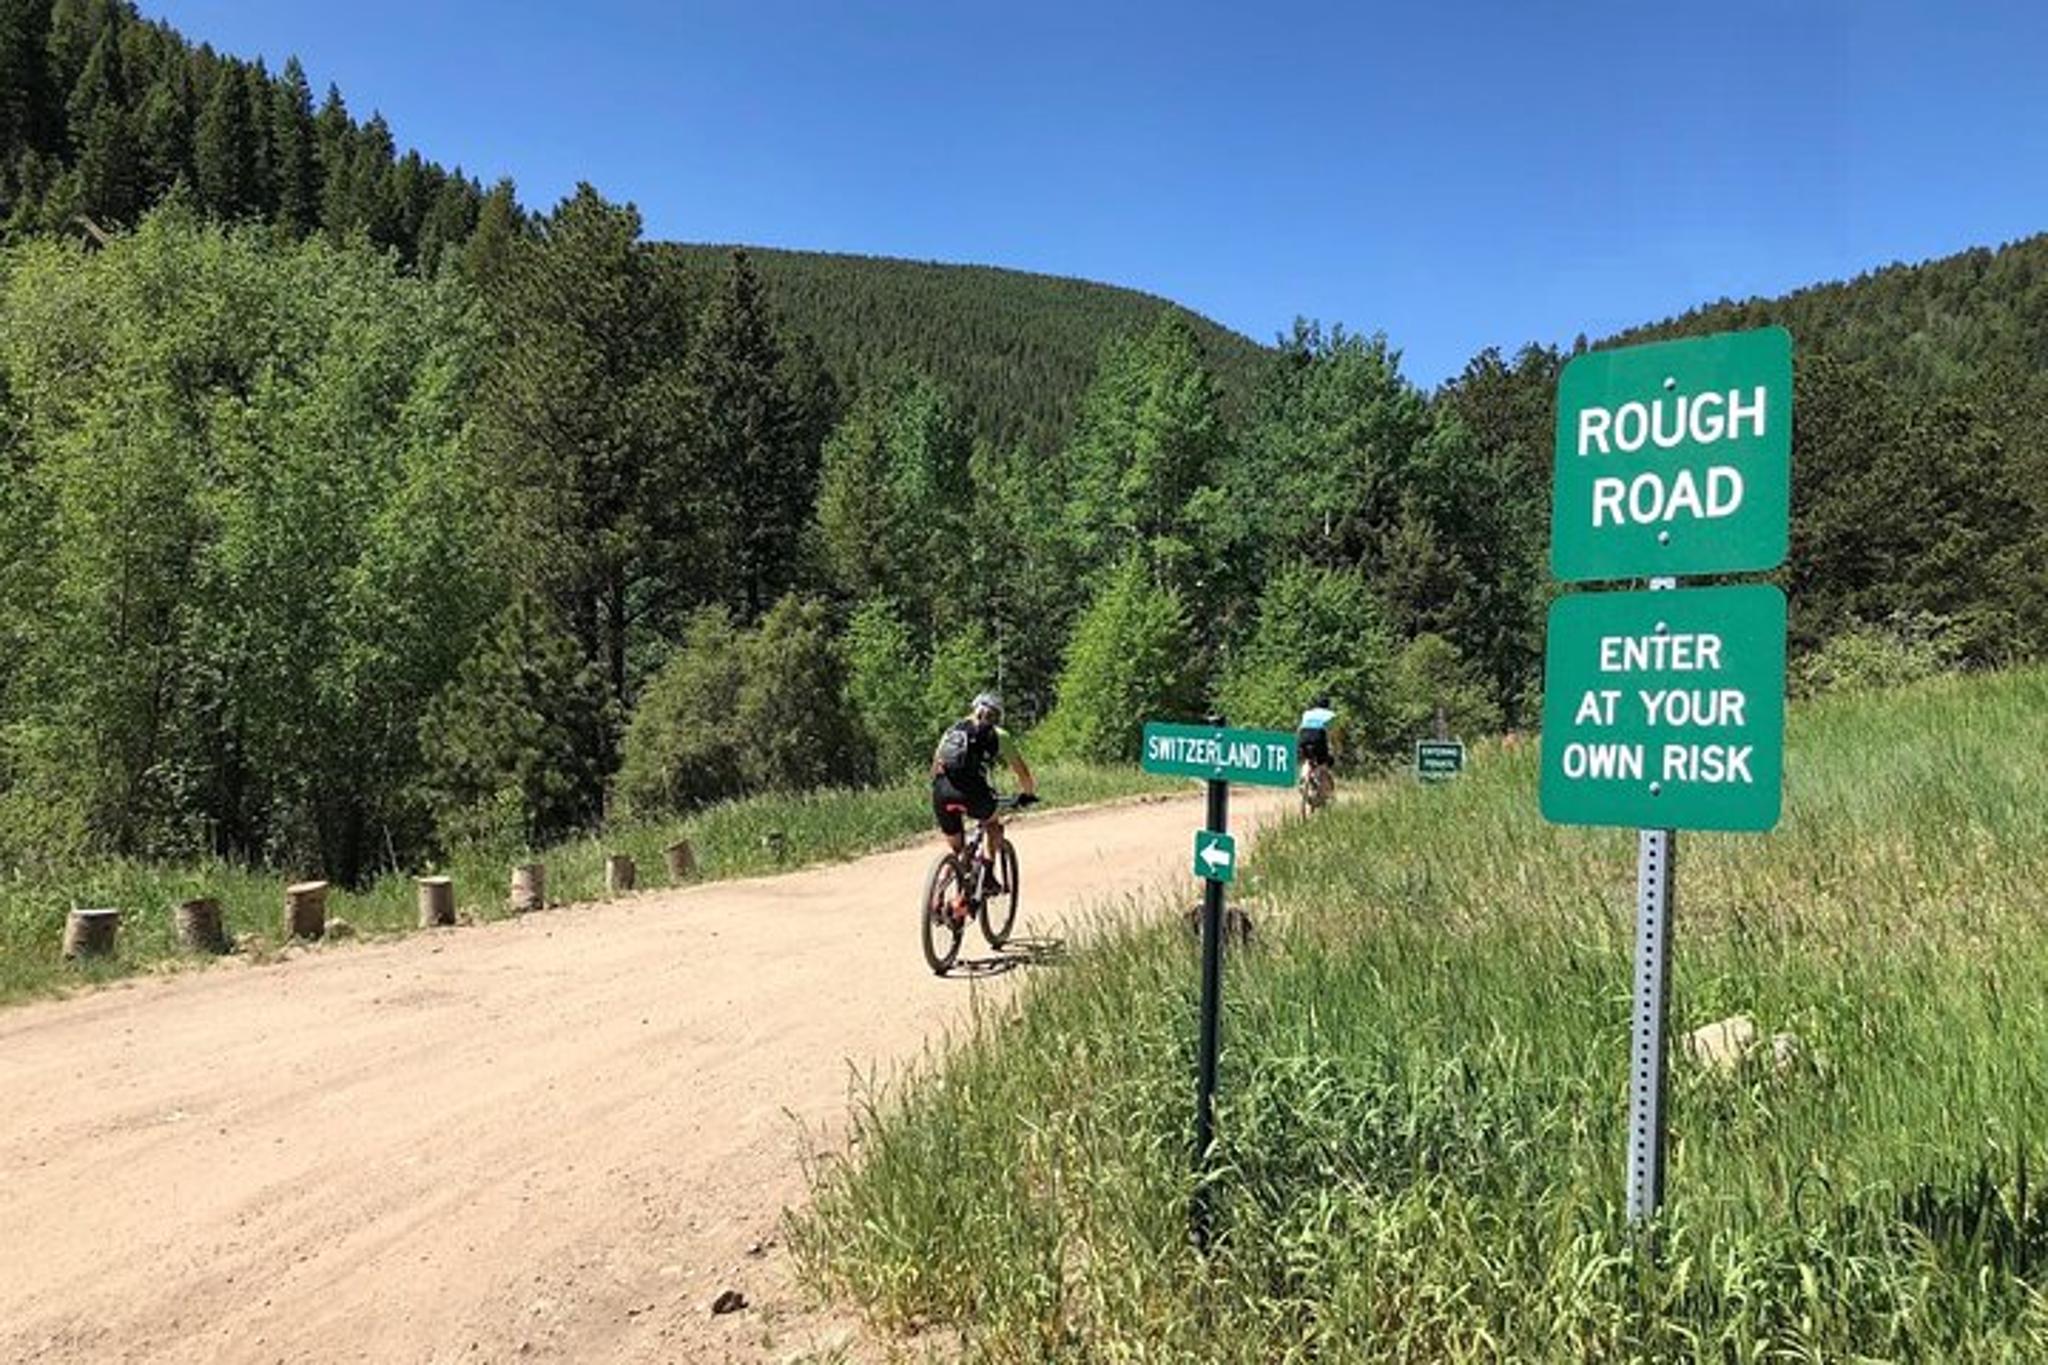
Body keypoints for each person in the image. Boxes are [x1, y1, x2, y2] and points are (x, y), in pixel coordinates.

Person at [930, 692, 1037, 893]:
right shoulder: (999, 734)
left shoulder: (951, 731)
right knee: (992, 825)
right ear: (996, 716)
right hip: (973, 794)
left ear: (974, 709)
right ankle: (987, 877)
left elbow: (935, 765)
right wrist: (1028, 794)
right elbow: (1022, 772)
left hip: (941, 792)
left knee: (956, 850)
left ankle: (936, 895)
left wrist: (939, 789)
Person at [1297, 692, 1338, 802]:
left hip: (1303, 737)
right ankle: (1320, 786)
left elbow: (1300, 728)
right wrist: (1334, 749)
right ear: (1328, 705)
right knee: (1323, 763)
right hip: (1318, 737)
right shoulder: (1331, 715)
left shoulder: (1307, 713)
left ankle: (1303, 779)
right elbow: (1332, 734)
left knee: (1307, 759)